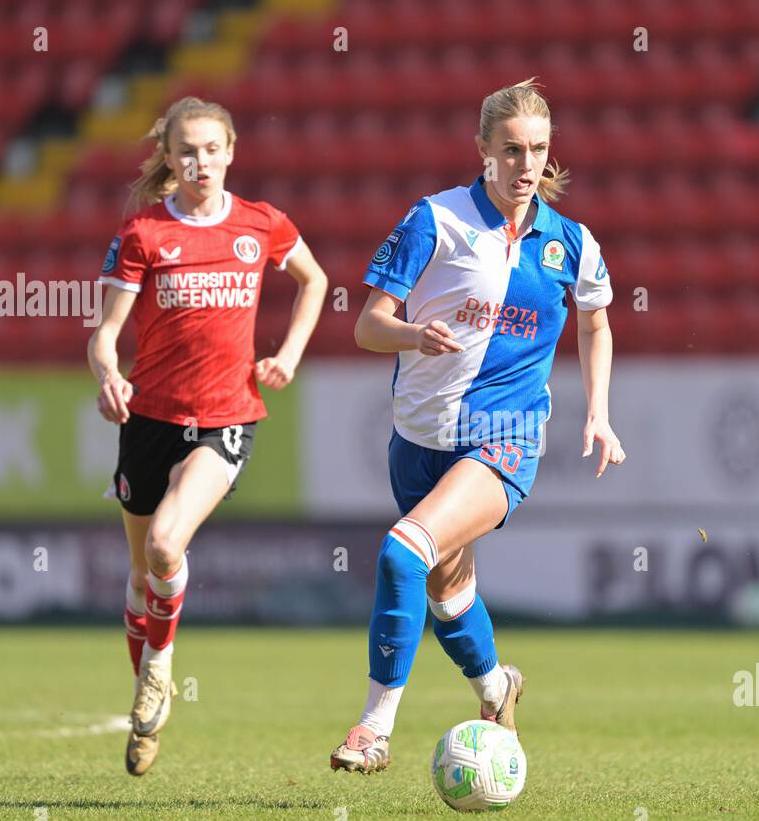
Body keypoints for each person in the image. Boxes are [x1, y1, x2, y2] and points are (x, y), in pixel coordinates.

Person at [330, 78, 624, 772]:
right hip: (418, 442)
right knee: (447, 592)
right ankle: (498, 689)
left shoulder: (571, 244)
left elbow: (597, 321)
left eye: (539, 150)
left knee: (403, 553)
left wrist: (601, 413)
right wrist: (412, 335)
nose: (527, 165)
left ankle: (373, 732)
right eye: (512, 150)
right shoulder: (434, 220)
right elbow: (368, 327)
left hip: (506, 438)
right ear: (483, 151)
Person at [88, 97, 327, 775]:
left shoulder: (260, 224)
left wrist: (291, 354)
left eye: (210, 149)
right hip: (149, 419)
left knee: (167, 543)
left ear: (231, 152)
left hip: (225, 417)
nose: (199, 162)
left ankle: (159, 667)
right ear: (168, 156)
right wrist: (109, 374)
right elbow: (104, 336)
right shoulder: (144, 233)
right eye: (186, 150)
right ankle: (149, 704)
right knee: (141, 577)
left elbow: (315, 281)